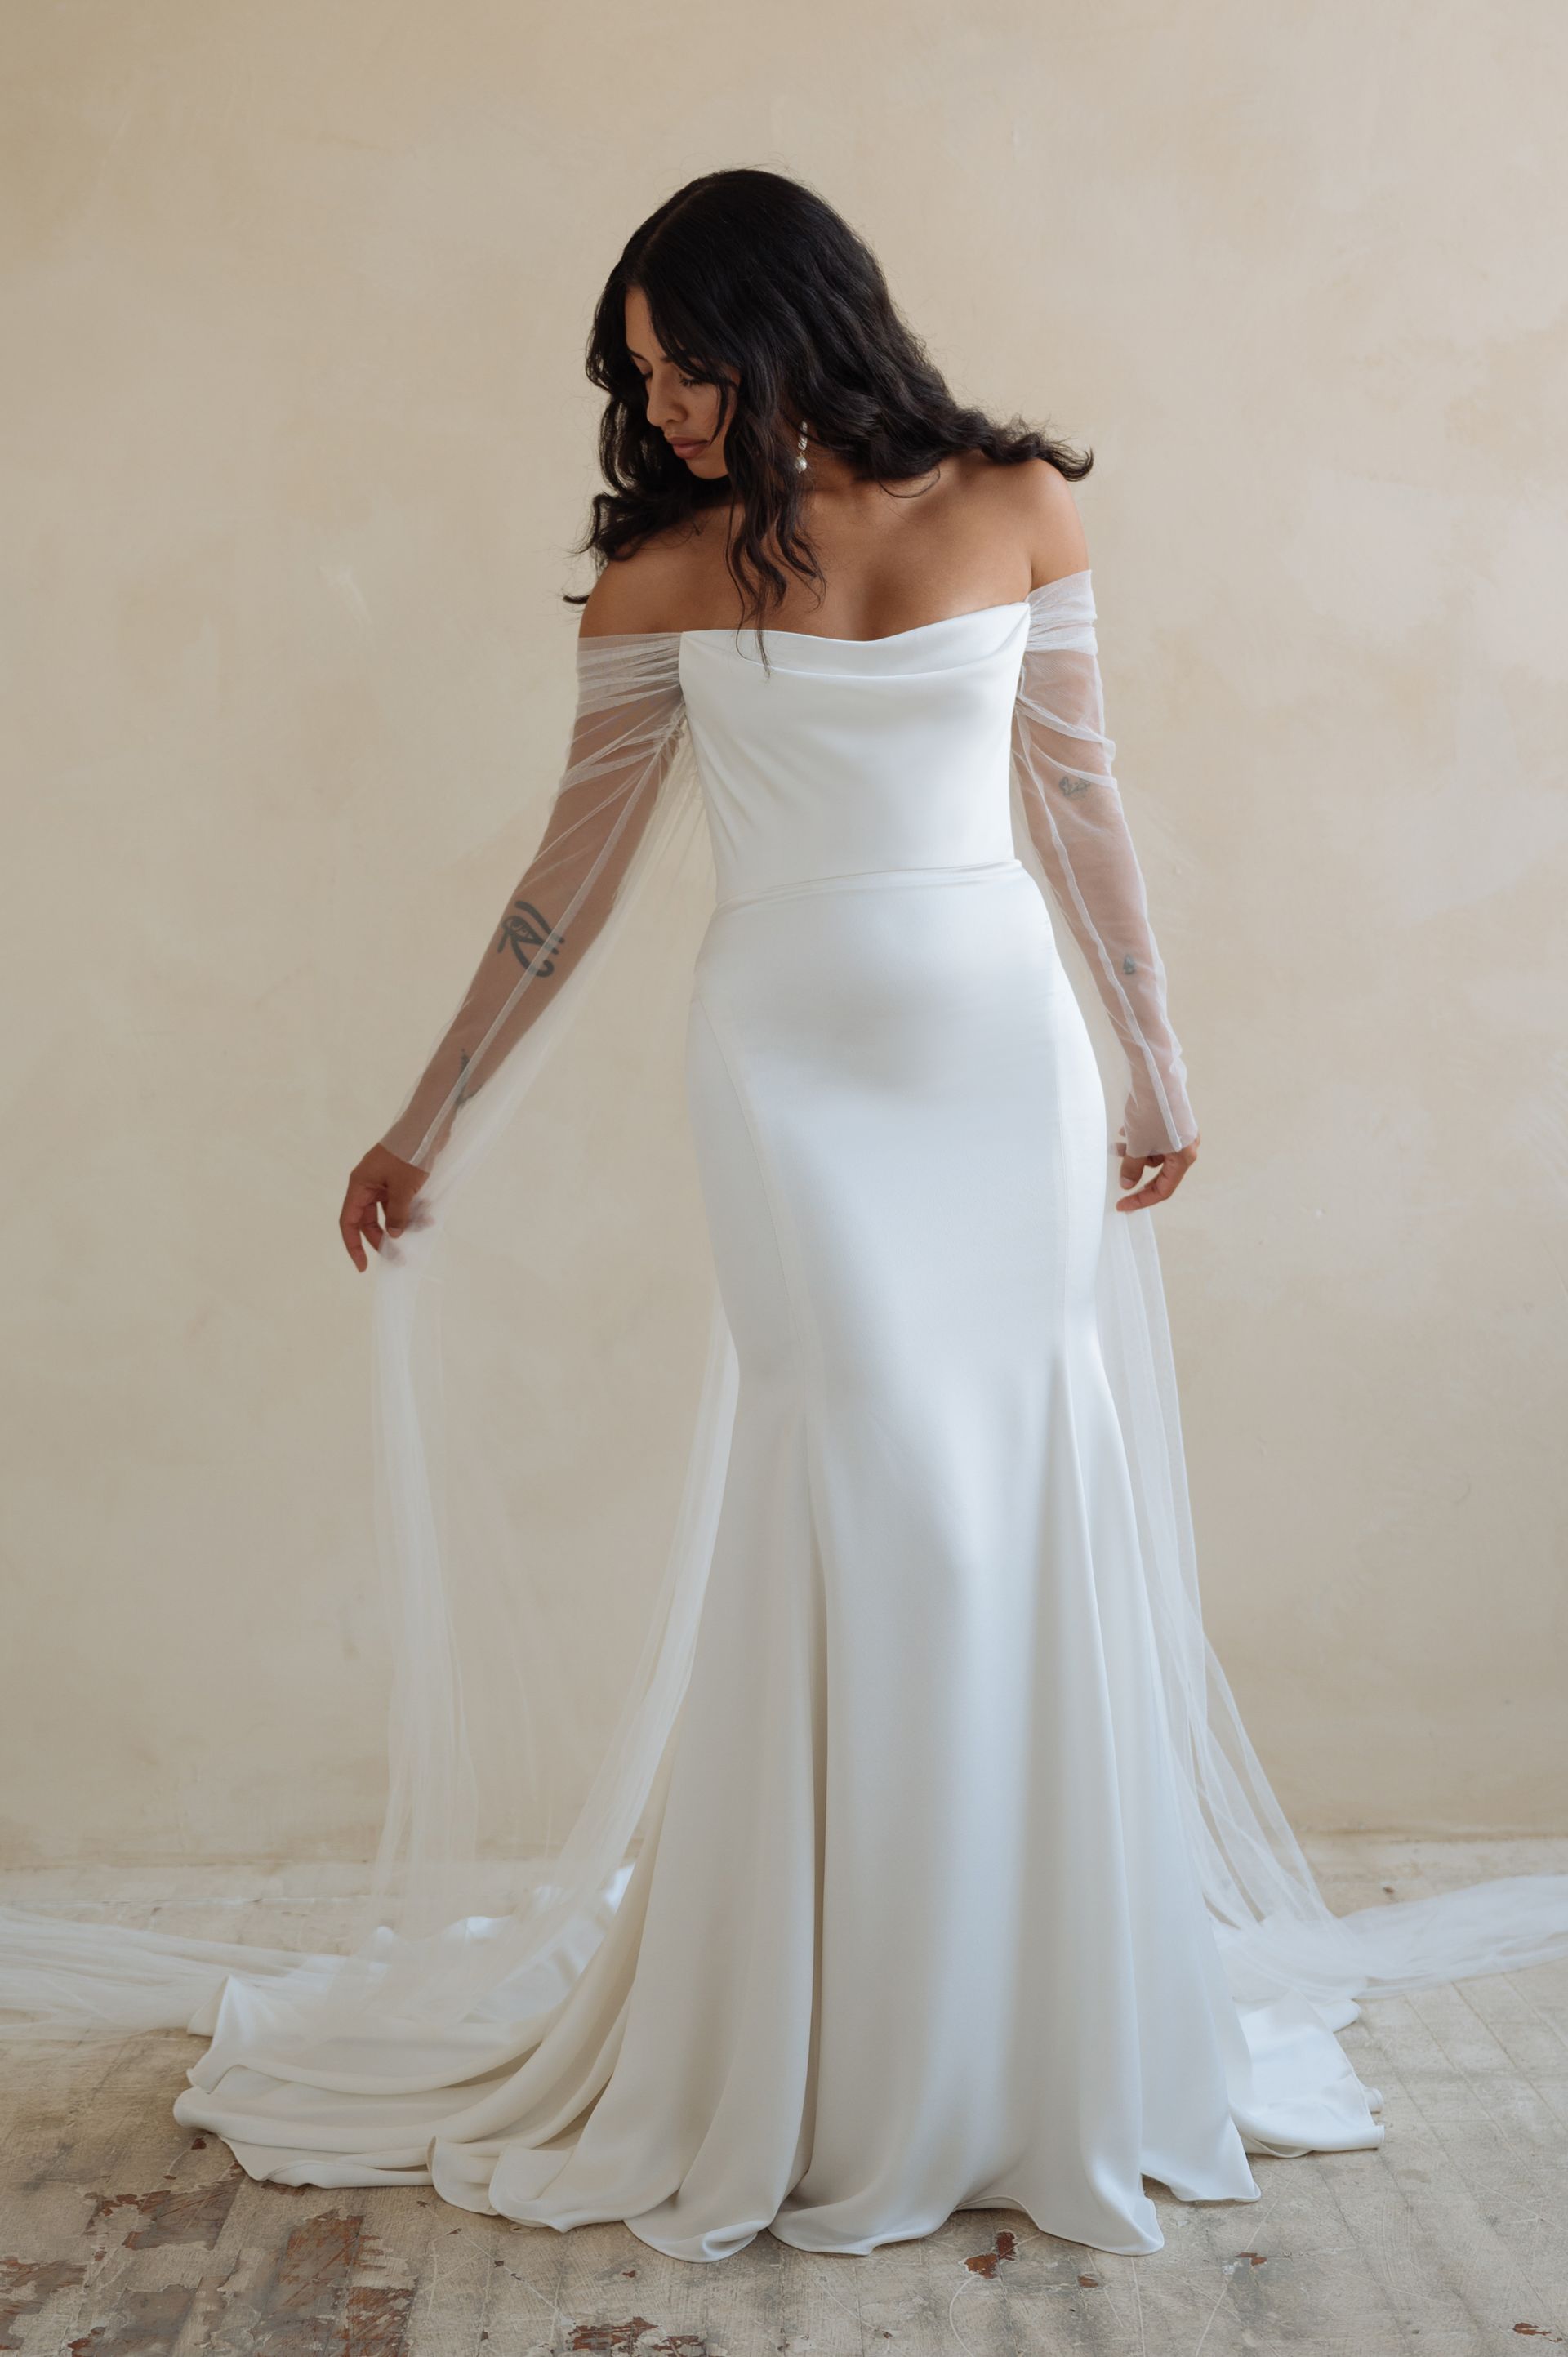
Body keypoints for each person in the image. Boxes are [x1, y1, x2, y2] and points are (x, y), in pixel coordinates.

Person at [4, 167, 1566, 2264]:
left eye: (687, 365)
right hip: (789, 1069)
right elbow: (571, 882)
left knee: (1009, 1479)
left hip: (997, 1058)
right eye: (638, 379)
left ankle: (1015, 2031)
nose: (663, 412)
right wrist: (426, 1116)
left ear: (795, 326)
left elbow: (1079, 798)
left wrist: (1157, 1059)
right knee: (856, 1482)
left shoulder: (1013, 502)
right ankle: (820, 2033)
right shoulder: (656, 572)